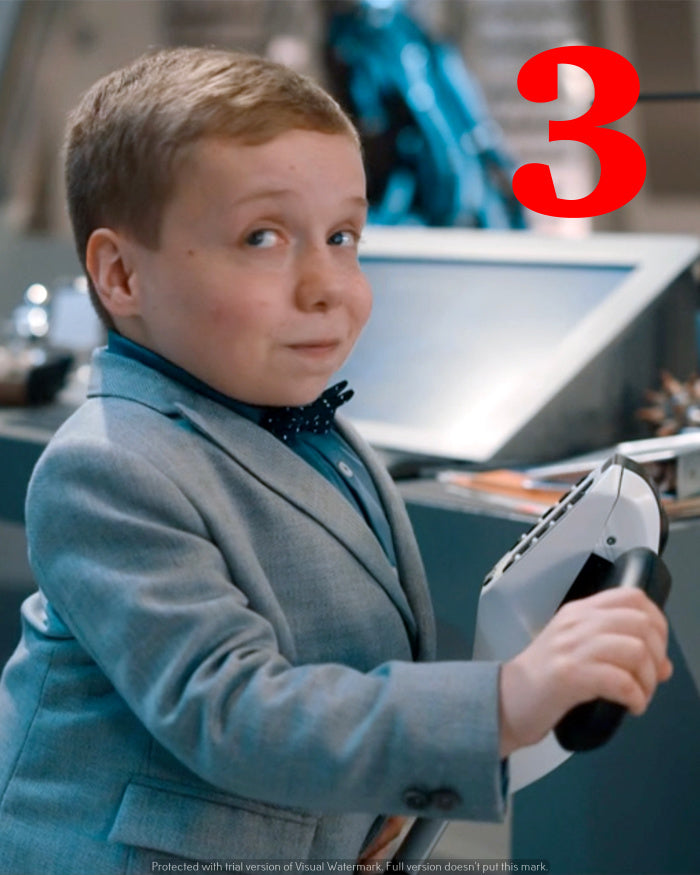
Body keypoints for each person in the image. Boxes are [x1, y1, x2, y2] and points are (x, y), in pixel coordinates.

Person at [0, 46, 672, 873]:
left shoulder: (316, 429)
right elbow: (234, 713)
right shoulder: (108, 469)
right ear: (121, 274)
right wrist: (501, 702)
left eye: (343, 236)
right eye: (262, 236)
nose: (327, 285)